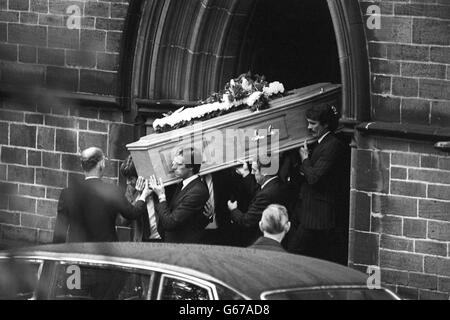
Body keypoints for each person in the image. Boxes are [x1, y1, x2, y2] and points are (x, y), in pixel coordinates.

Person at [53, 147, 152, 243]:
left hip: (78, 253)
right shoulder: (112, 191)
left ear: (82, 166)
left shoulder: (67, 193)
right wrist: (143, 195)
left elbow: (59, 233)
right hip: (106, 253)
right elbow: (132, 213)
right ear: (102, 164)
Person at [287, 104, 346, 261]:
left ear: (325, 124)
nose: (308, 127)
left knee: (294, 254)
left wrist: (305, 159)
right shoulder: (319, 142)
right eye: (308, 122)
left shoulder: (333, 145)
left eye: (313, 123)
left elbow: (314, 178)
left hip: (317, 215)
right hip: (303, 210)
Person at [148, 147, 209, 244]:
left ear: (191, 167)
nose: (173, 168)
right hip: (173, 242)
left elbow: (170, 223)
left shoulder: (197, 191)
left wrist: (161, 196)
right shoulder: (183, 184)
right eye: (174, 163)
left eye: (179, 164)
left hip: (183, 246)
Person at [227, 159, 290, 247]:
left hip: (259, 241)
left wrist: (233, 210)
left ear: (264, 173)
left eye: (254, 170)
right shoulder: (275, 183)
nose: (252, 173)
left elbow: (246, 221)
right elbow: (257, 191)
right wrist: (245, 172)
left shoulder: (266, 194)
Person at [118, 156, 162, 242]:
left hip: (163, 240)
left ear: (141, 176)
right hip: (141, 241)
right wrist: (139, 194)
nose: (127, 182)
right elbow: (124, 221)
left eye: (130, 178)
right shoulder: (131, 189)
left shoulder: (160, 186)